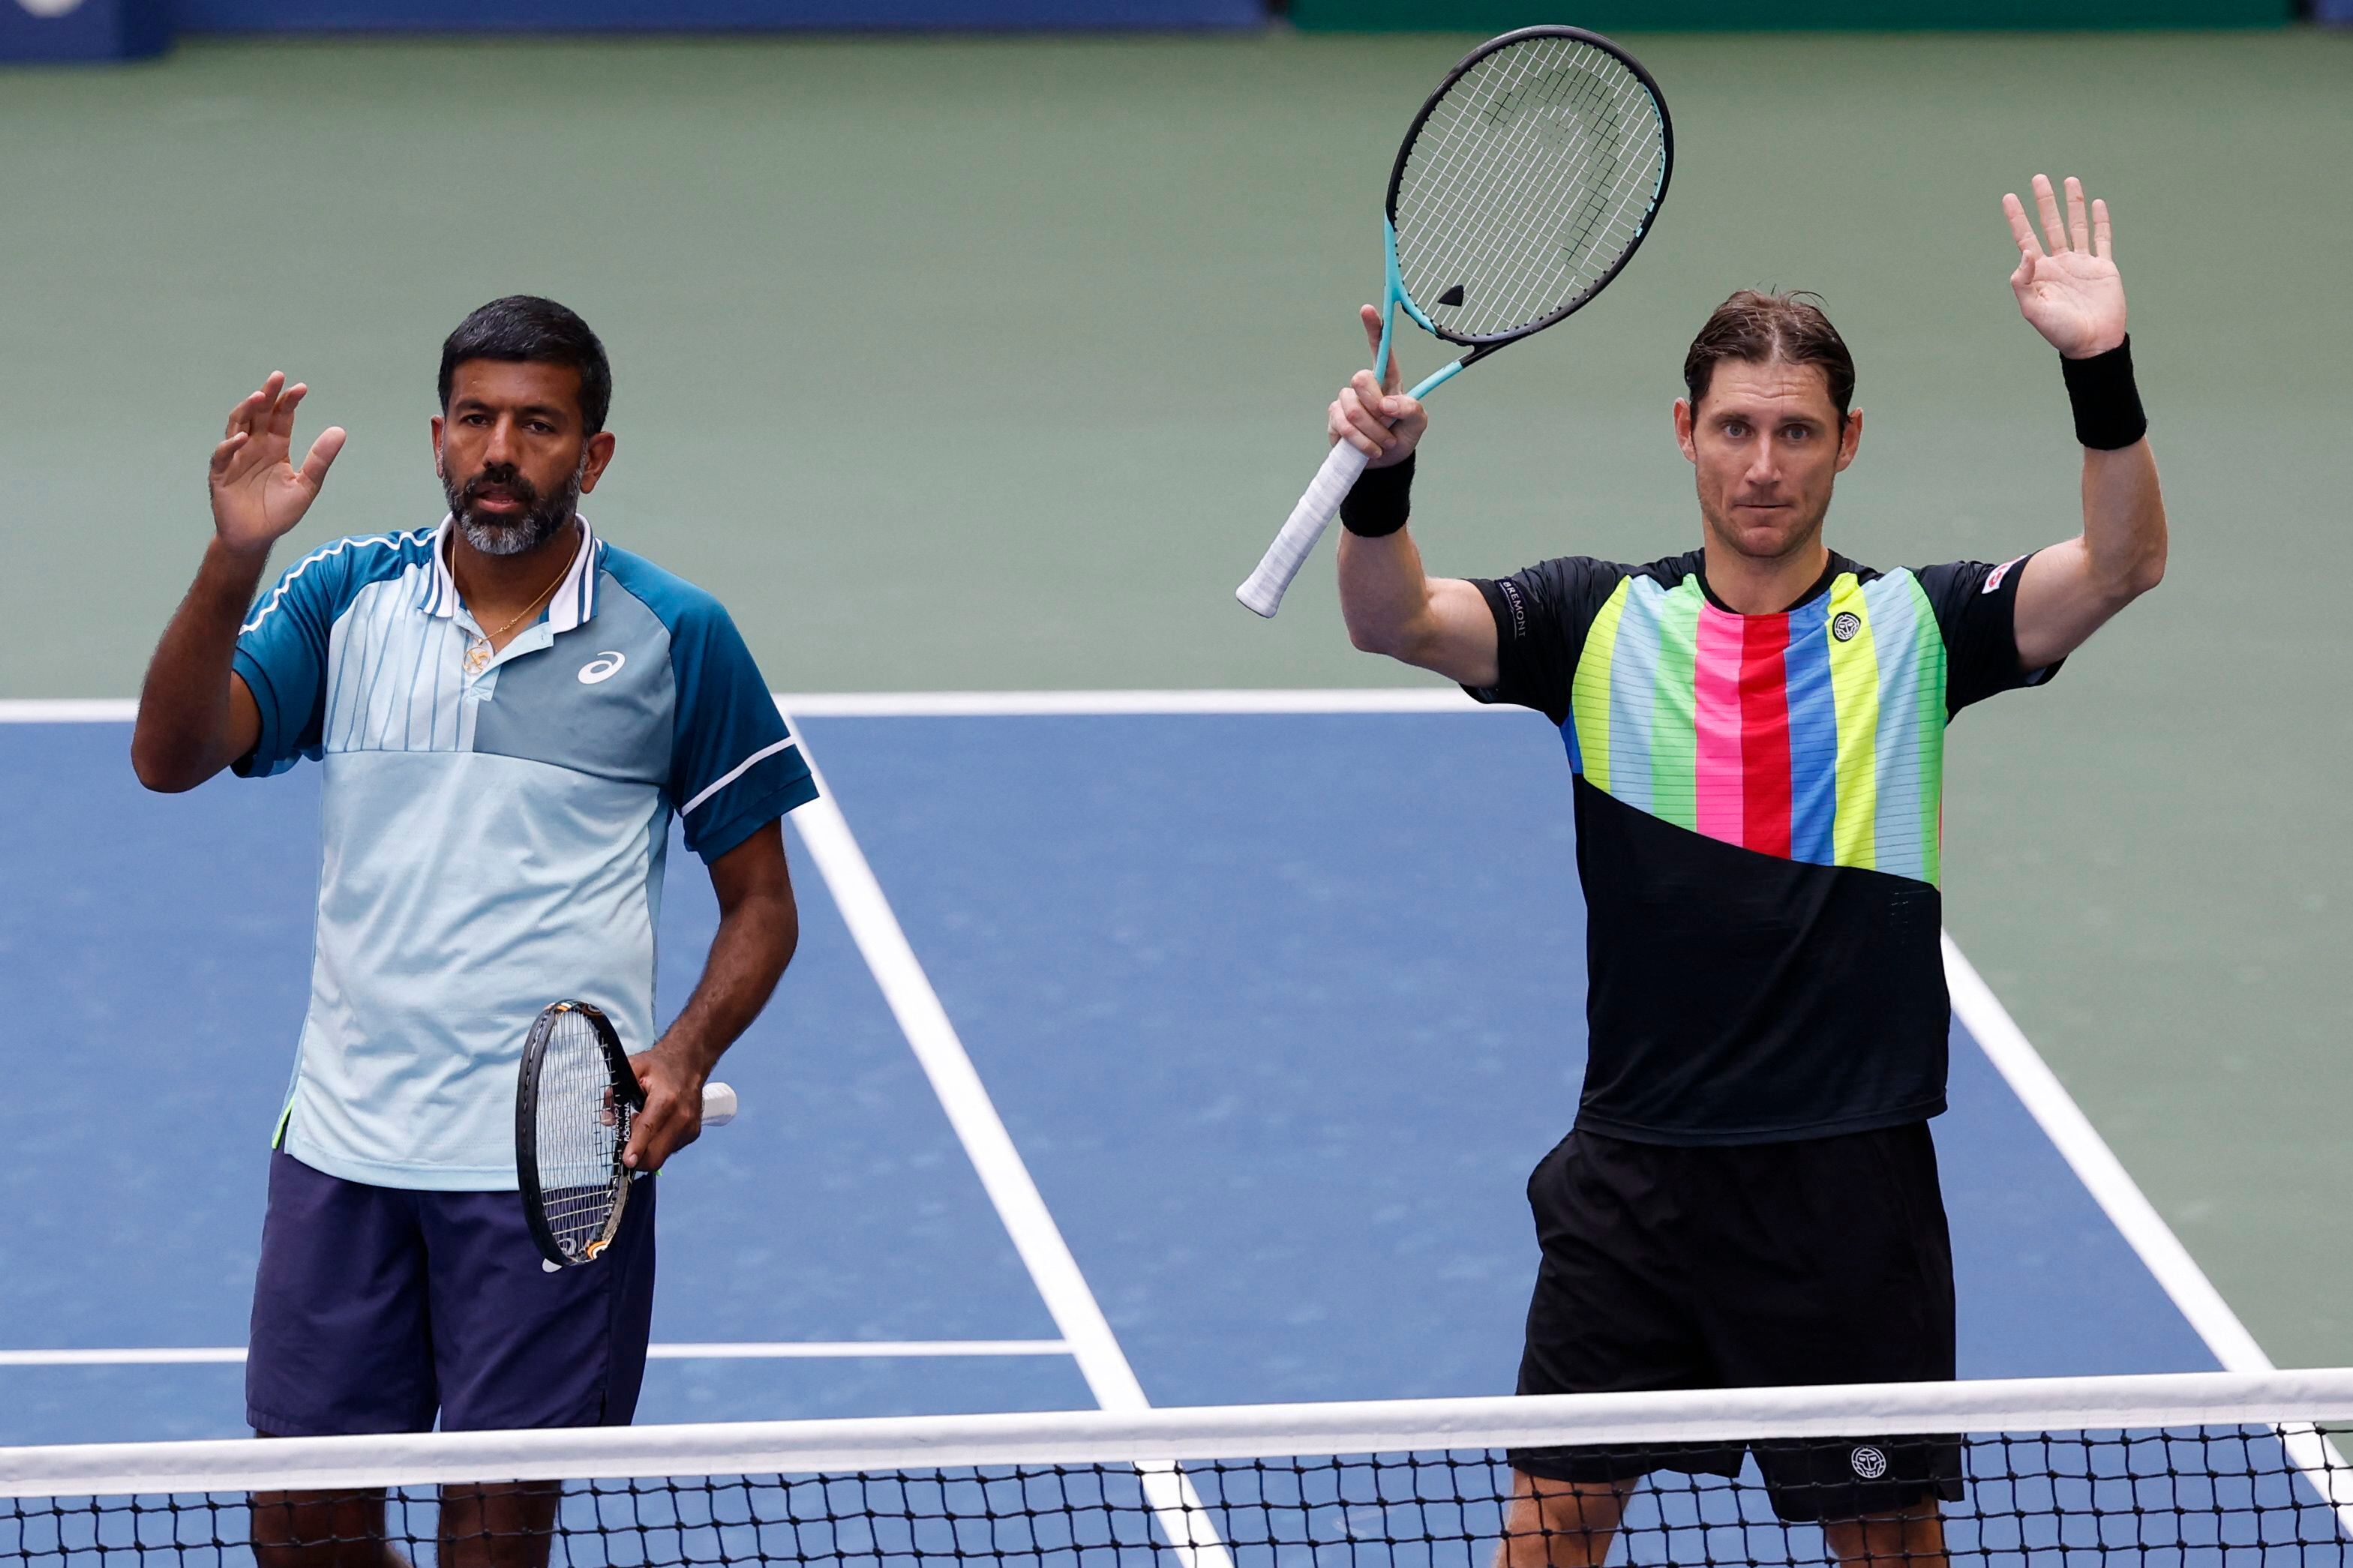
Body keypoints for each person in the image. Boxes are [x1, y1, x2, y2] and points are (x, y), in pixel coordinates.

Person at [1322, 175, 2165, 1564]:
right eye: (1733, 429)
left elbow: (2124, 562)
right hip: (1637, 1173)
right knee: (1548, 1531)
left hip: (1844, 1180)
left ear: (1845, 446)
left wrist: (2098, 368)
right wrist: (1381, 479)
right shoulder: (1591, 620)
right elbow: (1393, 619)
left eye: (1792, 432)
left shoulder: (1920, 629)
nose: (1760, 464)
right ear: (1684, 435)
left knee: (1887, 1545)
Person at [131, 296, 815, 1568]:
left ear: (592, 454)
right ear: (438, 437)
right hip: (345, 1147)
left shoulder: (680, 635)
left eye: (539, 425)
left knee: (491, 1540)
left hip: (548, 1170)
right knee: (304, 1537)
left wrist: (687, 1052)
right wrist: (234, 559)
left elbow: (761, 908)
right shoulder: (346, 598)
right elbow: (170, 760)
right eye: (477, 419)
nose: (501, 450)